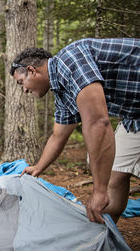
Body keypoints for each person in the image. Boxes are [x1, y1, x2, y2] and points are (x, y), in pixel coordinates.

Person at [10, 38, 140, 224]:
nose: (24, 90)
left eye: (21, 82)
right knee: (113, 172)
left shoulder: (71, 61)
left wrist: (99, 191)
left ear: (32, 71)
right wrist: (38, 168)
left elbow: (98, 122)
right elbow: (58, 136)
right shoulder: (62, 94)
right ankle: (106, 237)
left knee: (104, 181)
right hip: (134, 118)